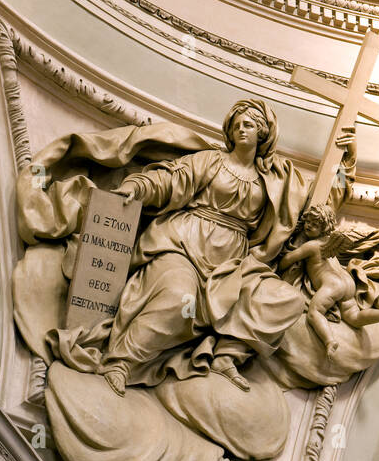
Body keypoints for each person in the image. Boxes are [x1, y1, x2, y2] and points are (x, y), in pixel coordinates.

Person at [98, 100, 318, 395]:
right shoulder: (211, 161)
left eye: (249, 125)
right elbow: (171, 179)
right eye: (237, 124)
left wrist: (345, 165)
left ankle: (225, 354)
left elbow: (316, 205)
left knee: (286, 299)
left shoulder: (274, 180)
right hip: (184, 244)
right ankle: (121, 362)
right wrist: (138, 187)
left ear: (262, 133)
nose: (241, 129)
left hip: (232, 264)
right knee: (181, 299)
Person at [279, 201, 379, 362]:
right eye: (308, 222)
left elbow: (287, 260)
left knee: (315, 313)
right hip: (348, 284)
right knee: (354, 317)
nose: (308, 226)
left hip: (332, 285)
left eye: (315, 224)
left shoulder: (311, 246)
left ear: (324, 228)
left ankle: (329, 341)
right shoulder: (330, 242)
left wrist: (282, 255)